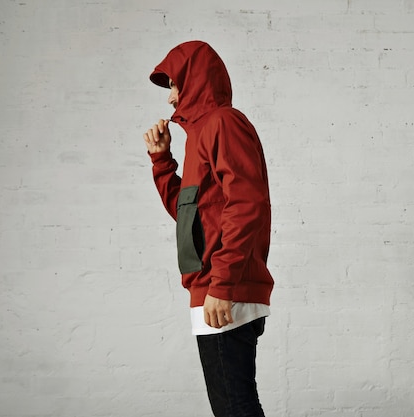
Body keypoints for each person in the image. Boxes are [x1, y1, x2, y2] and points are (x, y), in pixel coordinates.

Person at [142, 40, 274, 417]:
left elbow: (248, 204)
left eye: (174, 84)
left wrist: (223, 283)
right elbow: (190, 218)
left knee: (235, 408)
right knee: (231, 407)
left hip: (223, 288)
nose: (170, 99)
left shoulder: (223, 123)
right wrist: (161, 161)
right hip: (212, 287)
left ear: (194, 80)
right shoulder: (199, 136)